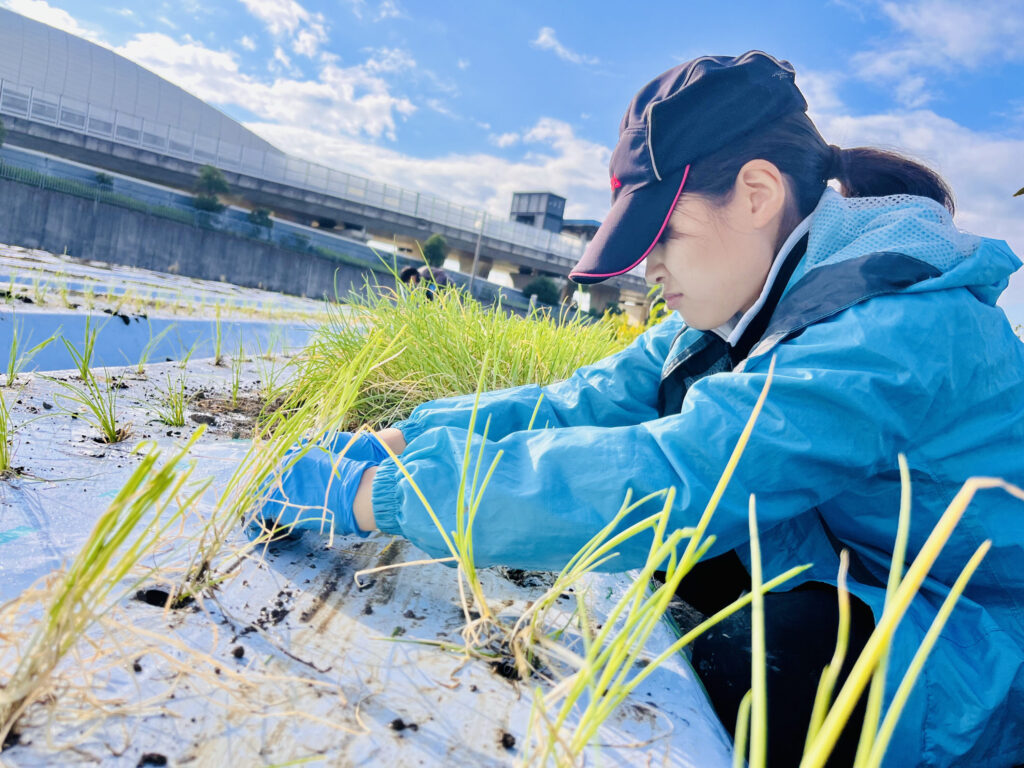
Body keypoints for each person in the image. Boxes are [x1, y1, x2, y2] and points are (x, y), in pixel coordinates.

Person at [248, 52, 1024, 767]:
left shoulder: (896, 330)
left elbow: (682, 475)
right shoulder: (756, 300)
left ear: (757, 195)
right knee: (681, 581)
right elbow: (583, 401)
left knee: (772, 654)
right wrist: (401, 440)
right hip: (851, 568)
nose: (650, 269)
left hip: (979, 653)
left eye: (666, 235)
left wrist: (381, 495)